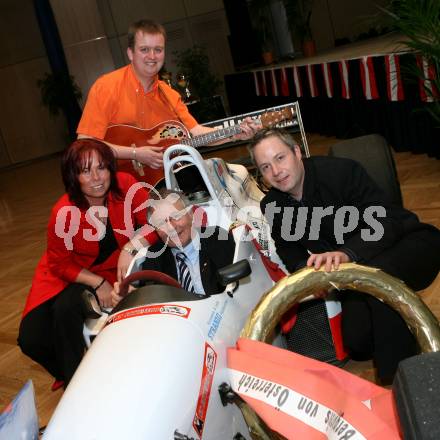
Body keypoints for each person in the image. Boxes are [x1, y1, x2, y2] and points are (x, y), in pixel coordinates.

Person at [248, 127, 440, 381]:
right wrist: (307, 272)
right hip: (356, 271)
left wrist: (347, 253)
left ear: (296, 152)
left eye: (280, 158)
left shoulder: (341, 172)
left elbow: (386, 223)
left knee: (380, 294)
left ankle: (399, 386)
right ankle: (409, 324)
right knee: (358, 344)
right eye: (265, 167)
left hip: (408, 242)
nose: (276, 171)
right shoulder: (273, 205)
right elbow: (287, 246)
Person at [18, 139, 154, 387]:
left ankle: (76, 383)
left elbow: (154, 222)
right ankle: (67, 370)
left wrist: (131, 245)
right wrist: (98, 282)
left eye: (101, 167)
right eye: (85, 171)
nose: (96, 177)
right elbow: (59, 264)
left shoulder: (125, 185)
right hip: (66, 272)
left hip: (110, 270)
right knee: (31, 339)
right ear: (73, 176)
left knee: (65, 311)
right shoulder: (63, 212)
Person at [77, 18, 258, 178]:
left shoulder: (170, 95)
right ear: (130, 53)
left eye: (158, 49)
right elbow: (85, 143)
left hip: (160, 182)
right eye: (144, 49)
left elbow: (195, 132)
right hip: (115, 182)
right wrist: (135, 153)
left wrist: (235, 134)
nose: (152, 56)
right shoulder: (106, 87)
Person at [111, 189, 235, 306]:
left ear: (191, 214)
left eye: (176, 216)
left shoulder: (218, 239)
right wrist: (133, 297)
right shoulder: (155, 256)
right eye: (161, 223)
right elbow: (151, 297)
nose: (170, 228)